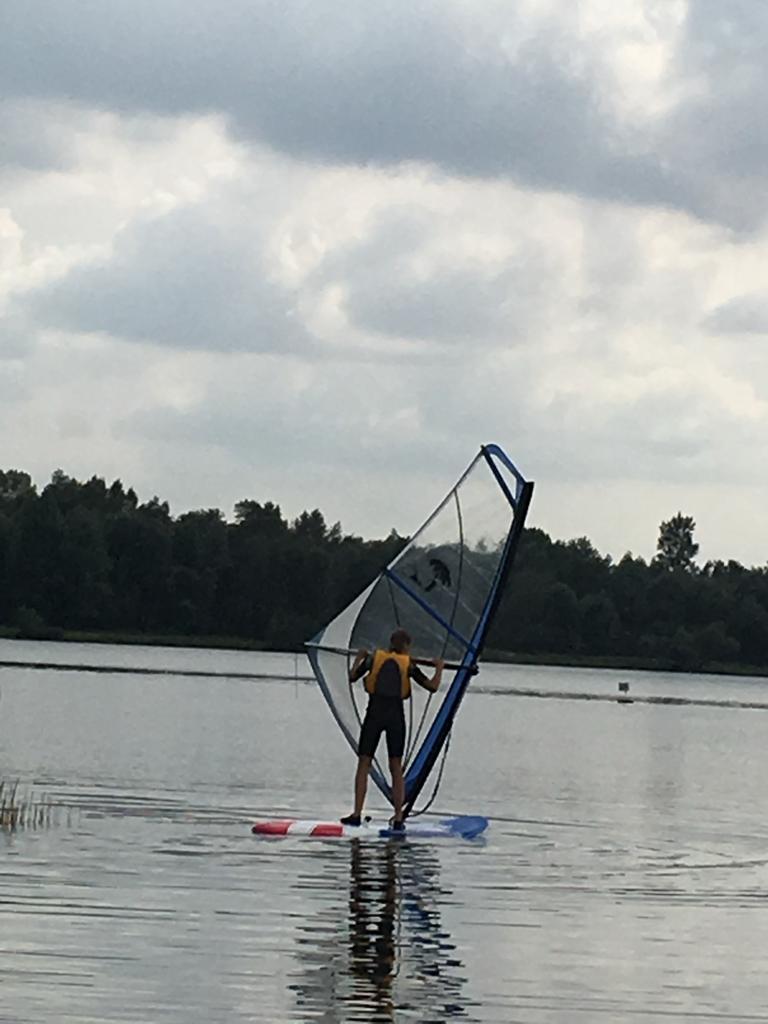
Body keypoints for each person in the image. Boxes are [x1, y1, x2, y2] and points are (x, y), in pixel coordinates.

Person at [341, 628, 444, 832]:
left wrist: (359, 658)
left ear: (390, 643)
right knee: (396, 767)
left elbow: (352, 677)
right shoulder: (409, 665)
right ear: (406, 646)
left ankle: (356, 814)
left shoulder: (373, 659)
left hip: (374, 714)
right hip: (395, 717)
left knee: (364, 762)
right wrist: (439, 668)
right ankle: (398, 819)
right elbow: (432, 686)